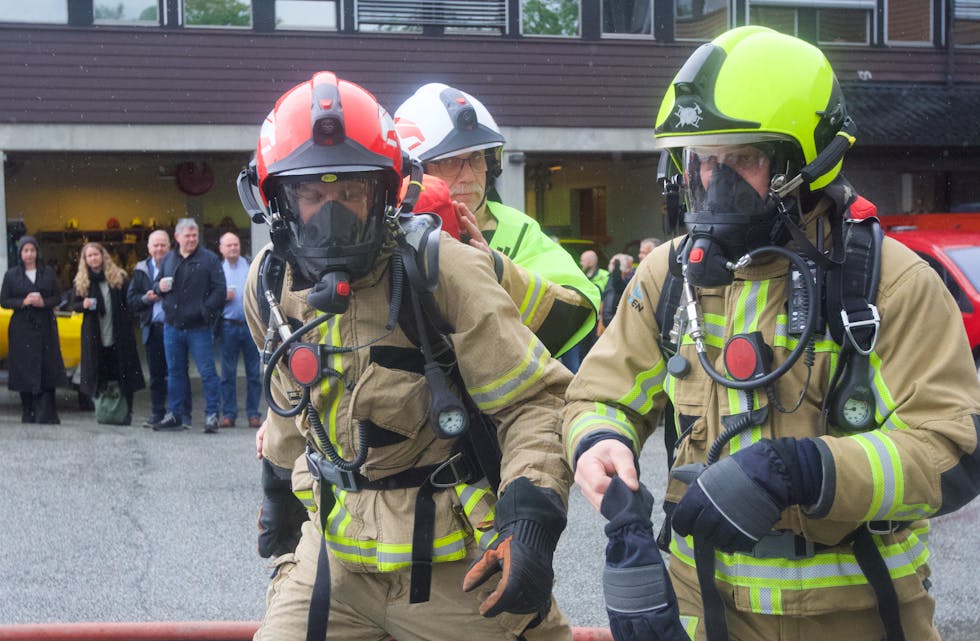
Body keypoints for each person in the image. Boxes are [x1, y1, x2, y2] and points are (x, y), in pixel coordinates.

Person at [564, 26, 980, 641]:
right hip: (704, 611)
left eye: (745, 159)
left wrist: (807, 470)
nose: (712, 181)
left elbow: (954, 454)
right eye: (702, 159)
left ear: (809, 161)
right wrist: (599, 441)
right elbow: (600, 393)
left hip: (859, 618)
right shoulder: (668, 274)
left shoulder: (889, 283)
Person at [239, 71, 574, 641]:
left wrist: (528, 522)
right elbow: (290, 403)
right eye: (313, 195)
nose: (333, 215)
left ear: (387, 190)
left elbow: (535, 403)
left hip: (453, 568)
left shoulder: (444, 270)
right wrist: (277, 494)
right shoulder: (270, 283)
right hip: (334, 564)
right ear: (277, 201)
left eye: (351, 192)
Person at [394, 83, 600, 360]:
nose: (468, 176)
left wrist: (498, 270)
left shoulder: (516, 229)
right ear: (413, 171)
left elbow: (576, 311)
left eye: (477, 158)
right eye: (450, 162)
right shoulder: (384, 231)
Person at [151, 218, 225, 433]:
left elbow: (219, 291)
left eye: (194, 235)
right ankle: (176, 414)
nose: (192, 239)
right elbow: (156, 285)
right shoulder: (169, 259)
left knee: (207, 372)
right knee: (174, 372)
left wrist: (204, 309)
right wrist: (159, 287)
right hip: (172, 326)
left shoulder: (209, 259)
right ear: (177, 237)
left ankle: (212, 415)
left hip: (199, 328)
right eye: (188, 235)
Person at [70, 242, 145, 424]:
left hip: (119, 335)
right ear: (85, 260)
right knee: (99, 376)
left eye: (96, 254)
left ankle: (126, 413)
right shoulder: (82, 282)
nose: (93, 258)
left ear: (103, 256)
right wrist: (84, 305)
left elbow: (130, 303)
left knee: (123, 374)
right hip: (95, 337)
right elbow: (74, 305)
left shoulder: (118, 278)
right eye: (89, 256)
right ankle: (104, 412)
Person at [127, 229, 192, 428]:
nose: (159, 248)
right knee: (156, 375)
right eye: (155, 245)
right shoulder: (141, 270)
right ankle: (157, 413)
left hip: (174, 327)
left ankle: (183, 414)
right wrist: (147, 298)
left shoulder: (180, 264)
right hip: (153, 328)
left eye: (163, 244)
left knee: (179, 372)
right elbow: (130, 300)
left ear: (169, 245)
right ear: (148, 248)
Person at [0, 235, 67, 423]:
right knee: (23, 368)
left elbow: (58, 297)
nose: (29, 254)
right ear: (20, 253)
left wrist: (43, 302)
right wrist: (24, 301)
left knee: (46, 366)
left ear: (37, 252)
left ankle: (45, 411)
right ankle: (27, 408)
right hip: (22, 328)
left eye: (32, 250)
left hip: (45, 325)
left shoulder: (48, 273)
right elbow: (4, 301)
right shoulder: (11, 274)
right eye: (25, 251)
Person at [217, 231, 262, 428]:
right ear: (221, 249)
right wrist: (221, 297)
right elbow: (209, 298)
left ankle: (253, 413)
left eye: (235, 244)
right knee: (228, 373)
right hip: (228, 327)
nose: (233, 248)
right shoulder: (217, 270)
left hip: (251, 326)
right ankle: (229, 414)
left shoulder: (251, 265)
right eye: (229, 245)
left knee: (254, 373)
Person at [575, 250, 609, 363]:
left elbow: (609, 298)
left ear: (590, 262)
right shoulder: (579, 275)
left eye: (582, 260)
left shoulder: (604, 276)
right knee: (582, 353)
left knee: (597, 351)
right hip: (583, 320)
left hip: (598, 321)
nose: (581, 263)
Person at [598, 252, 634, 333]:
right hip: (611, 319)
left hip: (609, 319)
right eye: (628, 267)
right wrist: (617, 267)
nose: (630, 269)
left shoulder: (611, 279)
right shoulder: (615, 280)